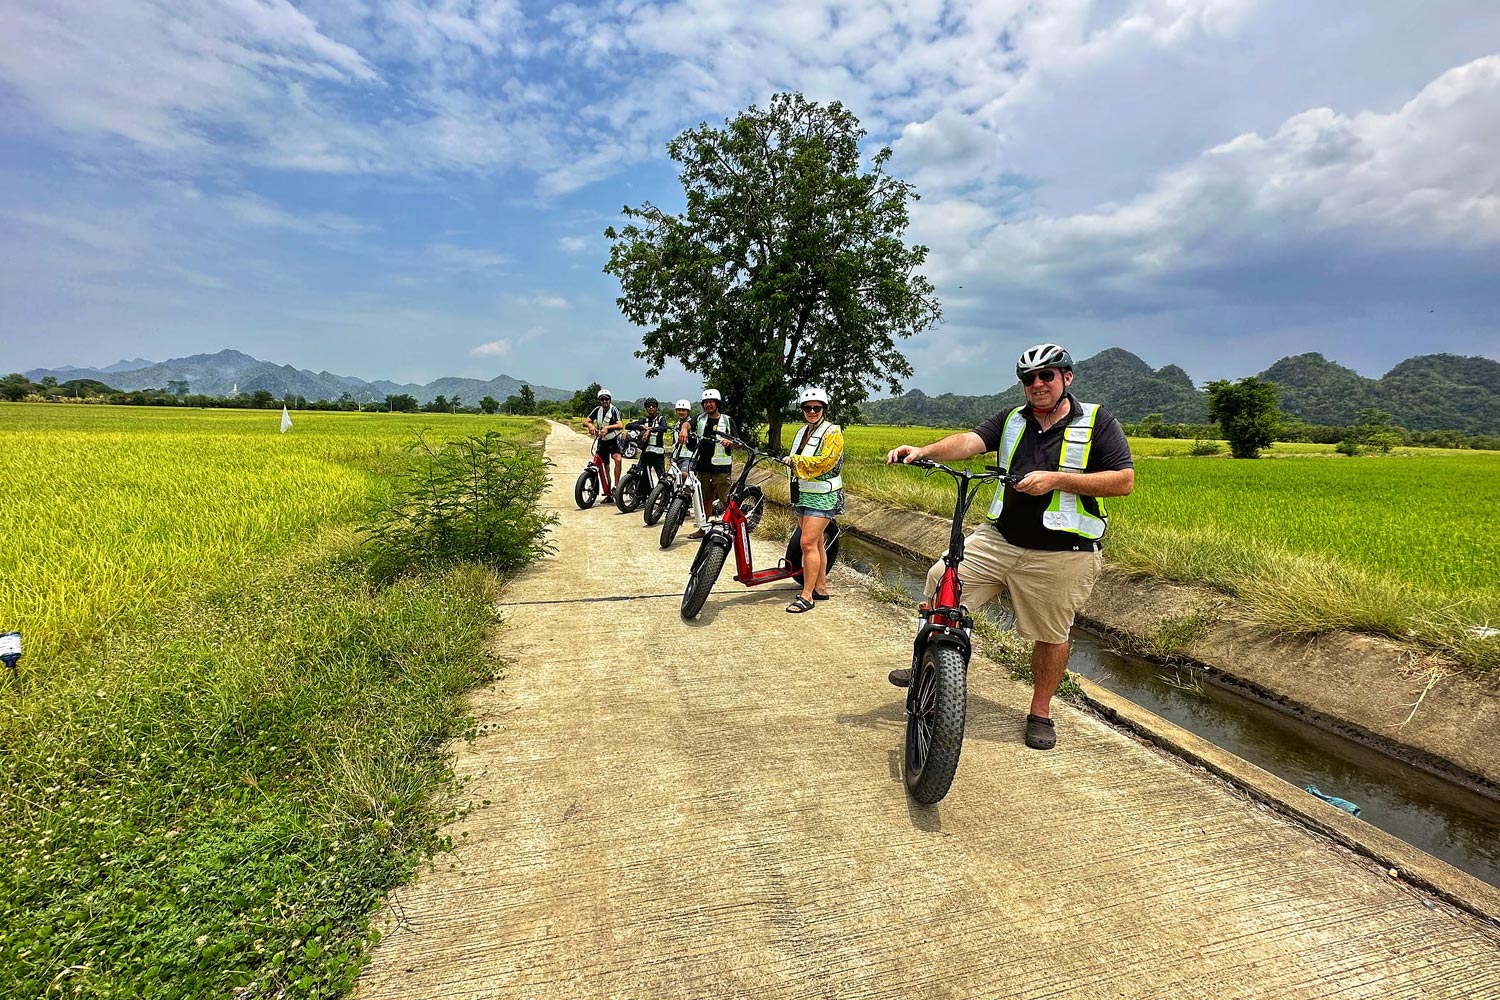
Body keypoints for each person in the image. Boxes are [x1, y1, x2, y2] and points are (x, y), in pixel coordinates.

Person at [884, 344, 1134, 750]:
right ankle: (927, 668)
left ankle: (1040, 711)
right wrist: (924, 451)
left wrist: (1056, 479)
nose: (1037, 384)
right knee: (939, 581)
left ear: (1066, 378)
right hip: (999, 540)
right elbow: (969, 441)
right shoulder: (1013, 419)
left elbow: (1123, 481)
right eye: (1028, 379)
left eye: (1046, 375)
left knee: (1051, 635)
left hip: (1062, 553)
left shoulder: (1098, 422)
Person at [780, 387, 844, 613]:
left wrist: (795, 461)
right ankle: (821, 588)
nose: (812, 411)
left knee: (806, 543)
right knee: (815, 544)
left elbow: (826, 461)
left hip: (823, 496)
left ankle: (807, 596)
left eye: (817, 407)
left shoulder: (832, 432)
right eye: (807, 408)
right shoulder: (801, 432)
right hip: (802, 493)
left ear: (824, 409)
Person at [687, 388, 734, 539]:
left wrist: (730, 442)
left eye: (711, 402)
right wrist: (683, 429)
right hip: (703, 466)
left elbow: (738, 442)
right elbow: (688, 425)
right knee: (705, 499)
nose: (708, 405)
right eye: (705, 402)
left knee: (726, 499)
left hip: (722, 468)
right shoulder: (700, 419)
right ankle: (703, 528)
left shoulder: (727, 420)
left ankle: (733, 527)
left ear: (717, 403)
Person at [582, 389, 623, 499]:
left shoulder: (614, 410)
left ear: (610, 400)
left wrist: (607, 427)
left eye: (607, 399)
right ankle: (608, 493)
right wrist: (590, 426)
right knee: (605, 468)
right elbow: (586, 421)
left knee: (618, 460)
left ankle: (617, 487)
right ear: (600, 400)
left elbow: (620, 425)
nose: (604, 401)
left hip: (614, 440)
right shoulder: (597, 410)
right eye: (602, 399)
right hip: (602, 442)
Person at [625, 397, 669, 486]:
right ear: (646, 408)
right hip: (646, 453)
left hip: (658, 454)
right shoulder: (644, 420)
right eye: (649, 406)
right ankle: (643, 495)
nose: (651, 408)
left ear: (656, 408)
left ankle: (663, 495)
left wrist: (650, 430)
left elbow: (664, 428)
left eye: (653, 406)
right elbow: (628, 426)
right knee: (642, 474)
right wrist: (640, 426)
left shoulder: (661, 419)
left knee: (661, 477)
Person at [670, 399, 698, 478]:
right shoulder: (676, 425)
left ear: (688, 412)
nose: (681, 412)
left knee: (684, 475)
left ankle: (686, 490)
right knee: (669, 478)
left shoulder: (693, 425)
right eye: (679, 410)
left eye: (683, 410)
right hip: (676, 457)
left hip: (689, 458)